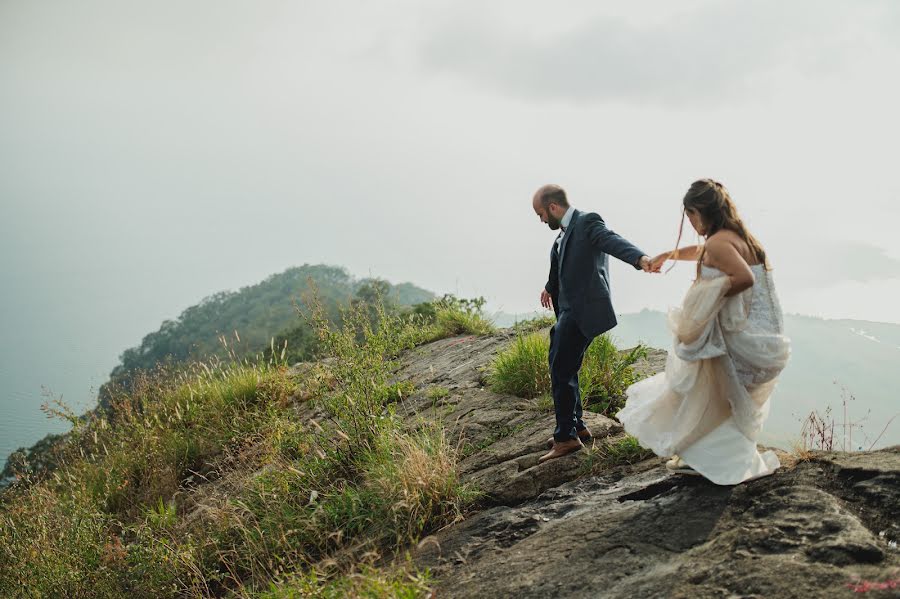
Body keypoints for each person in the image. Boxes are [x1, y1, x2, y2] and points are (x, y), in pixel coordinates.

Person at [617, 179, 791, 484]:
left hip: (746, 341)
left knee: (697, 387)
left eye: (690, 216)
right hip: (765, 341)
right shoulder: (736, 237)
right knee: (714, 393)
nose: (690, 223)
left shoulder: (720, 242)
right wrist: (668, 255)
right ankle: (713, 456)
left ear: (698, 211)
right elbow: (704, 252)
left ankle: (713, 460)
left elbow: (743, 278)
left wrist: (706, 295)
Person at [533, 184, 652, 463]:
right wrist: (549, 287)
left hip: (582, 310)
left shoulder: (587, 221)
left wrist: (640, 258)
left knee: (561, 370)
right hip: (567, 311)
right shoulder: (562, 235)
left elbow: (611, 240)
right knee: (562, 364)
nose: (540, 220)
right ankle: (577, 426)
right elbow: (561, 265)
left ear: (553, 207)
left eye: (540, 214)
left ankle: (566, 438)